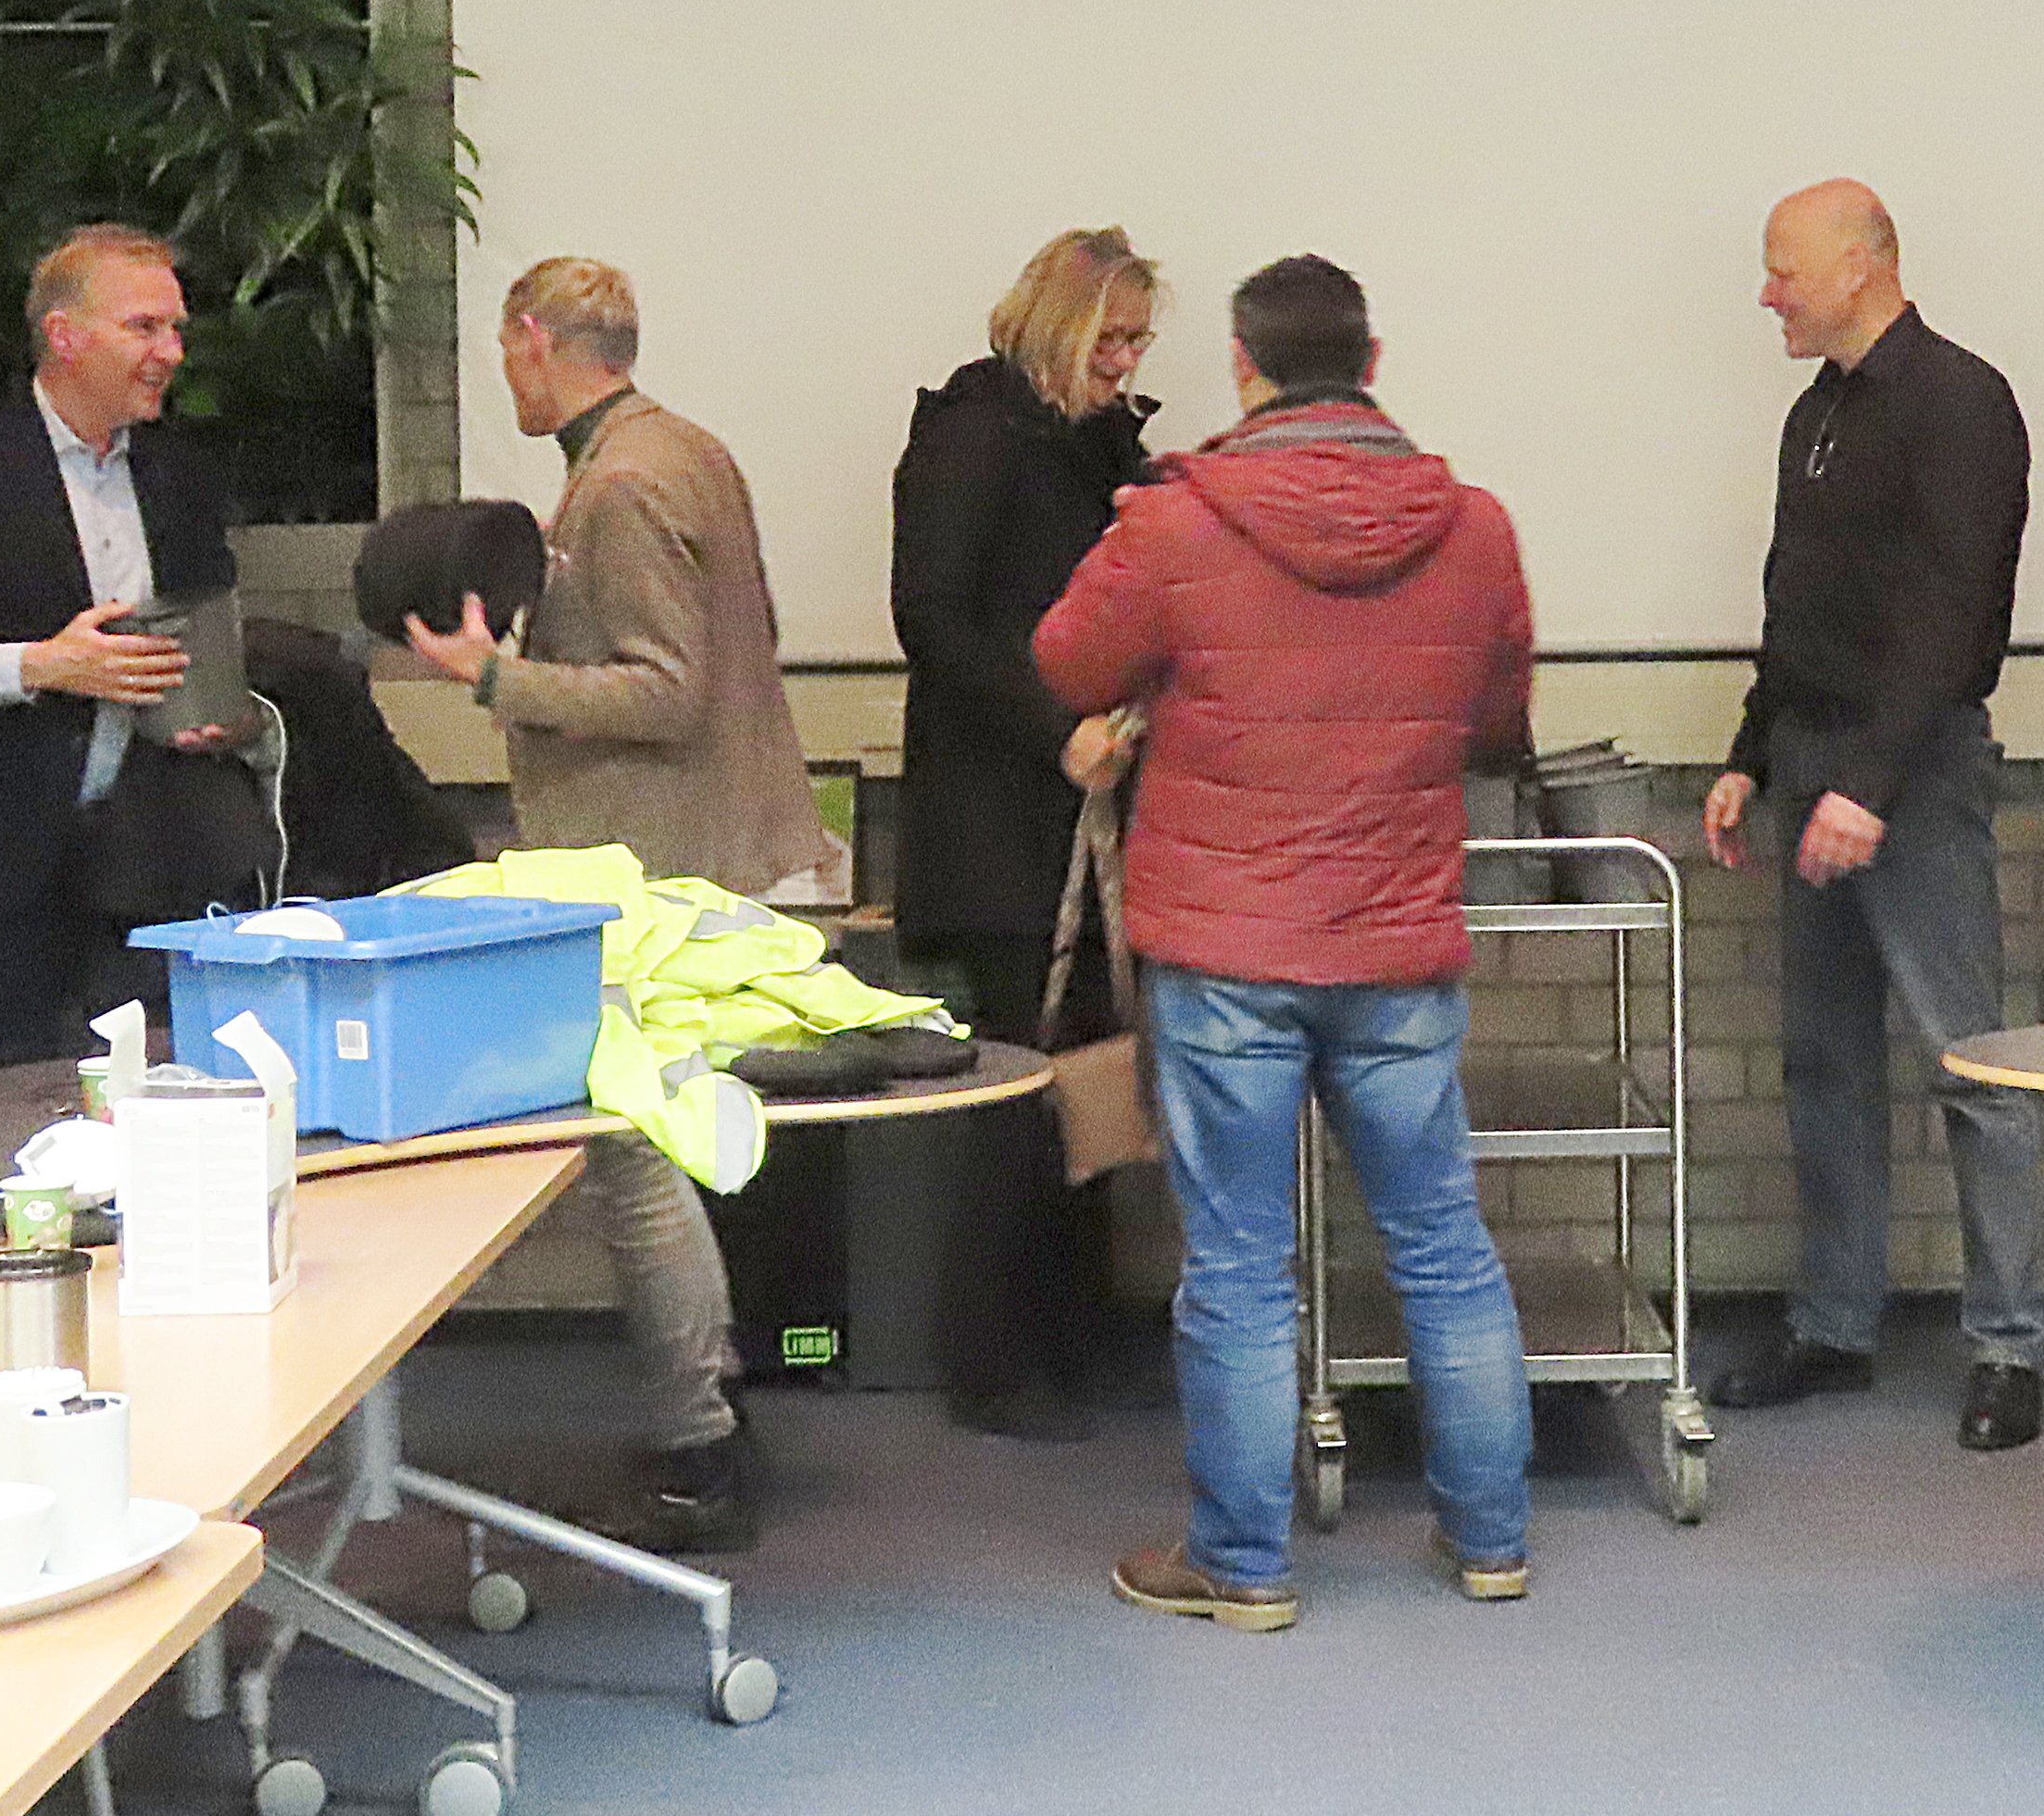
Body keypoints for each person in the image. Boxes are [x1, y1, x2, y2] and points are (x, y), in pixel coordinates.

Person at [1034, 254, 1535, 1629]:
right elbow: (1497, 718)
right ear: (1370, 366)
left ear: (1243, 368)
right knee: (1440, 1242)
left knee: (1239, 1265)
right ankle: (1489, 1539)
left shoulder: (1174, 522)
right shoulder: (1474, 527)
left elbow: (1067, 659)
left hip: (1227, 951)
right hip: (1397, 942)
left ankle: (1242, 1565)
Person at [403, 257, 826, 1549]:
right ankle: (713, 1419)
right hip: (708, 855)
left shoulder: (624, 483)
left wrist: (492, 678)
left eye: (504, 350)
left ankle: (697, 1450)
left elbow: (666, 690)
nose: (505, 373)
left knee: (635, 1160)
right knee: (675, 1153)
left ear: (533, 338)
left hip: (657, 871)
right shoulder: (684, 449)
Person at [1702, 181, 2044, 1451]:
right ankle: (1833, 1325)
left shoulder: (1960, 402)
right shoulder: (1816, 415)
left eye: (1782, 269)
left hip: (1911, 770)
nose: (1766, 295)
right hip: (1810, 760)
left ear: (1859, 265)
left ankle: (2010, 1345)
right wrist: (1749, 755)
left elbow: (1956, 616)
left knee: (1973, 1060)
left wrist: (1869, 785)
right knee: (1822, 1058)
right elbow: (1795, 604)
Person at [0, 223, 270, 1073]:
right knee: (3, 1105)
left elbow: (208, 637)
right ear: (65, 336)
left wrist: (216, 718)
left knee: (160, 1090)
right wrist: (39, 666)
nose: (171, 352)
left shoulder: (178, 475)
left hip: (155, 857)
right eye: (145, 327)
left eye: (176, 329)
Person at [889, 226, 1160, 1438]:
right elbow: (932, 617)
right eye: (1111, 338)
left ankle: (1070, 1336)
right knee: (1018, 1086)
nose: (1126, 360)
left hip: (1078, 808)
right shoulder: (972, 435)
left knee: (1087, 1072)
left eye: (1138, 341)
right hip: (999, 814)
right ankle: (993, 1361)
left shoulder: (1095, 441)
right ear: (1060, 325)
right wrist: (1056, 731)